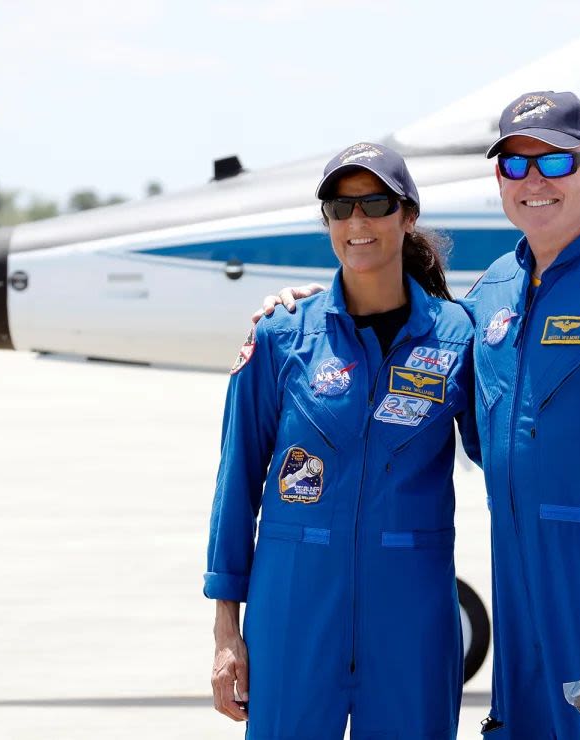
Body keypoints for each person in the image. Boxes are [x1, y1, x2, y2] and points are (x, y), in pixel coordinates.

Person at [261, 92, 580, 739]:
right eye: (514, 165)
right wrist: (316, 309)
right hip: (519, 582)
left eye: (555, 162)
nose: (534, 181)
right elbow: (416, 353)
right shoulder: (489, 301)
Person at [205, 142, 480, 740]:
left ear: (407, 217)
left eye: (376, 204)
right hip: (294, 609)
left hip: (410, 613)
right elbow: (236, 486)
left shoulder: (459, 337)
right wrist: (227, 632)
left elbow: (511, 456)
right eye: (340, 206)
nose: (358, 222)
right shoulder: (281, 335)